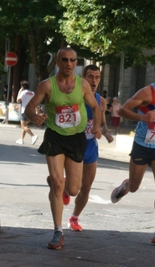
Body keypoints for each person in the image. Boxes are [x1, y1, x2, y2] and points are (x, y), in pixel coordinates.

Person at [24, 47, 102, 250]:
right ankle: (58, 231)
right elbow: (29, 108)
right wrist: (35, 117)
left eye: (73, 60)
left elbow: (95, 107)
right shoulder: (47, 85)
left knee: (73, 189)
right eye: (65, 60)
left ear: (76, 63)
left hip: (76, 138)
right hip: (55, 137)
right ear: (58, 62)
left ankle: (56, 182)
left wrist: (97, 126)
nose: (69, 64)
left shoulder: (83, 85)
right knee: (59, 184)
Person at [110, 57, 155, 245]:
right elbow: (123, 110)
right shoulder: (147, 92)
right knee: (134, 187)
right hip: (142, 145)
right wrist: (142, 117)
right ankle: (124, 186)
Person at [66, 64, 114, 232]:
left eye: (97, 77)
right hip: (74, 145)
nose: (94, 81)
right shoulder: (75, 96)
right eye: (90, 77)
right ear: (83, 79)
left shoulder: (100, 100)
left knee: (86, 187)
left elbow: (102, 125)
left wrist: (106, 134)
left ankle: (74, 217)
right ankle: (65, 186)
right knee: (74, 188)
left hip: (91, 147)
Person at [16, 81, 38, 145]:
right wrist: (36, 111)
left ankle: (33, 136)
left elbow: (18, 100)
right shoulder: (32, 93)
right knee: (25, 125)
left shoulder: (23, 92)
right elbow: (35, 102)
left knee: (23, 126)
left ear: (22, 87)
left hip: (24, 111)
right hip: (31, 111)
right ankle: (21, 139)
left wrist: (19, 92)